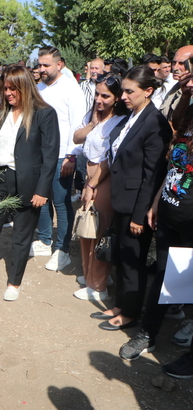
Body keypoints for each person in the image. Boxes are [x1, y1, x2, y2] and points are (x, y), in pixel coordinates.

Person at [0, 65, 60, 301]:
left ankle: (14, 282)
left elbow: (50, 156)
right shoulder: (0, 113)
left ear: (25, 87)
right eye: (5, 88)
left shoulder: (44, 114)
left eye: (13, 89)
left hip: (28, 183)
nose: (8, 93)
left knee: (21, 236)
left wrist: (42, 190)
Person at [118, 73, 193, 372]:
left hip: (191, 224)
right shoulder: (186, 123)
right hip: (169, 215)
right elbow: (174, 167)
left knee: (181, 282)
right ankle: (148, 334)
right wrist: (155, 202)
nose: (187, 87)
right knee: (165, 279)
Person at [92, 66, 172, 331]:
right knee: (123, 257)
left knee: (133, 261)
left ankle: (130, 313)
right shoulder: (133, 116)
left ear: (148, 91)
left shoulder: (154, 122)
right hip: (121, 199)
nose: (123, 96)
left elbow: (152, 174)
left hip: (135, 203)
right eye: (123, 90)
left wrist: (140, 215)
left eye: (129, 91)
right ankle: (120, 305)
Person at [71, 73, 128, 300]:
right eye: (96, 94)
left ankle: (98, 286)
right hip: (91, 175)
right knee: (87, 229)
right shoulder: (95, 115)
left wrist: (92, 184)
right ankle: (91, 276)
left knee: (99, 230)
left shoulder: (120, 122)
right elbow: (77, 137)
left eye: (105, 96)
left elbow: (110, 157)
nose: (99, 99)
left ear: (117, 98)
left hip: (104, 178)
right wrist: (93, 123)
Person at [31, 46, 86, 272]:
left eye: (47, 65)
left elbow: (78, 124)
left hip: (63, 154)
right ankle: (45, 239)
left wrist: (72, 155)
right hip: (40, 154)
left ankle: (62, 249)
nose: (42, 69)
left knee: (61, 202)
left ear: (59, 64)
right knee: (40, 197)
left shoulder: (71, 89)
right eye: (40, 65)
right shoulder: (39, 88)